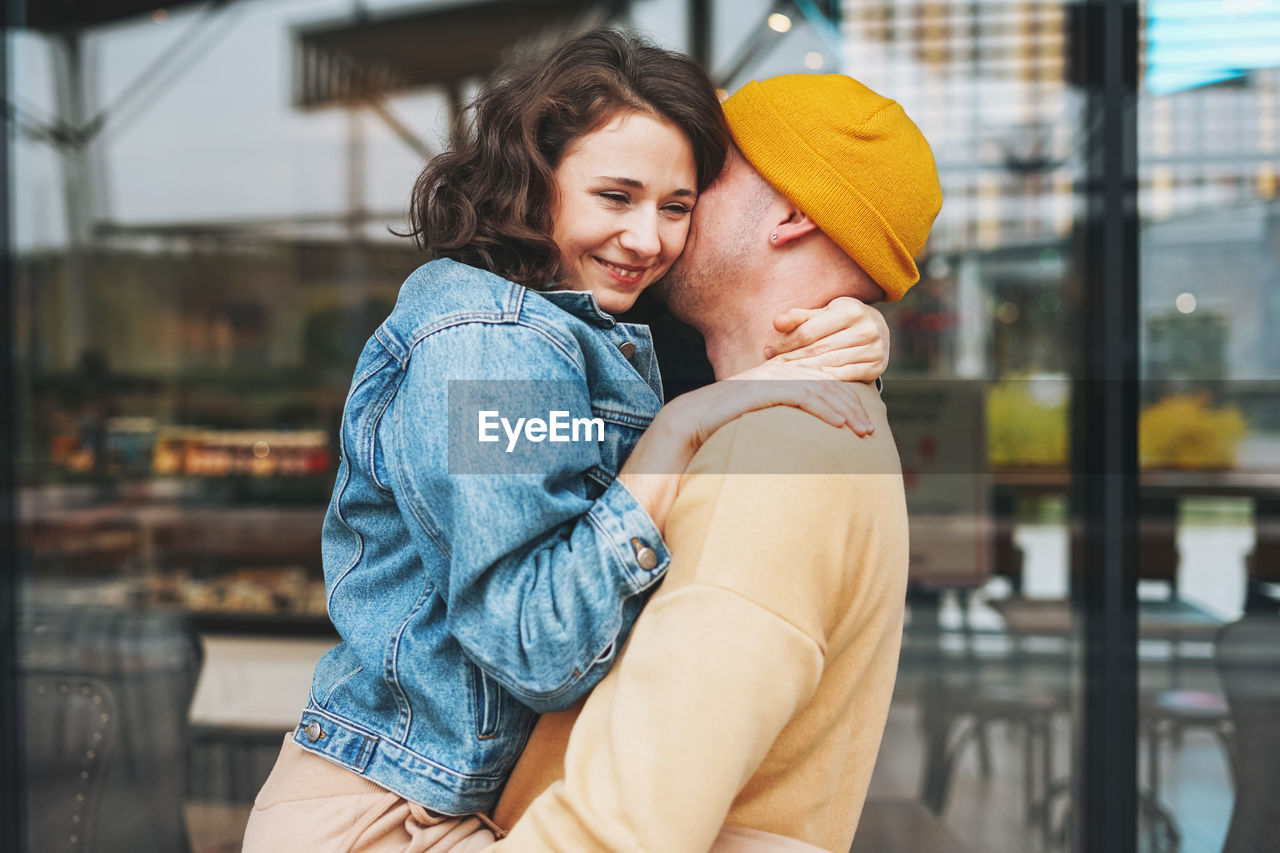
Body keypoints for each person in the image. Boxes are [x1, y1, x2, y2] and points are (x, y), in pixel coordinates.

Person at [241, 32, 891, 853]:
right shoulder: (486, 342)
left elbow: (755, 326)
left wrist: (854, 325)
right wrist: (679, 430)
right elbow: (535, 645)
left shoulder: (593, 319)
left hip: (453, 800)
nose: (649, 239)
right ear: (534, 180)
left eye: (678, 206)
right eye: (616, 196)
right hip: (385, 814)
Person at [487, 73, 943, 852]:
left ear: (795, 213)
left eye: (706, 164)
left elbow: (622, 827)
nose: (678, 189)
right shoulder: (790, 412)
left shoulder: (775, 454)